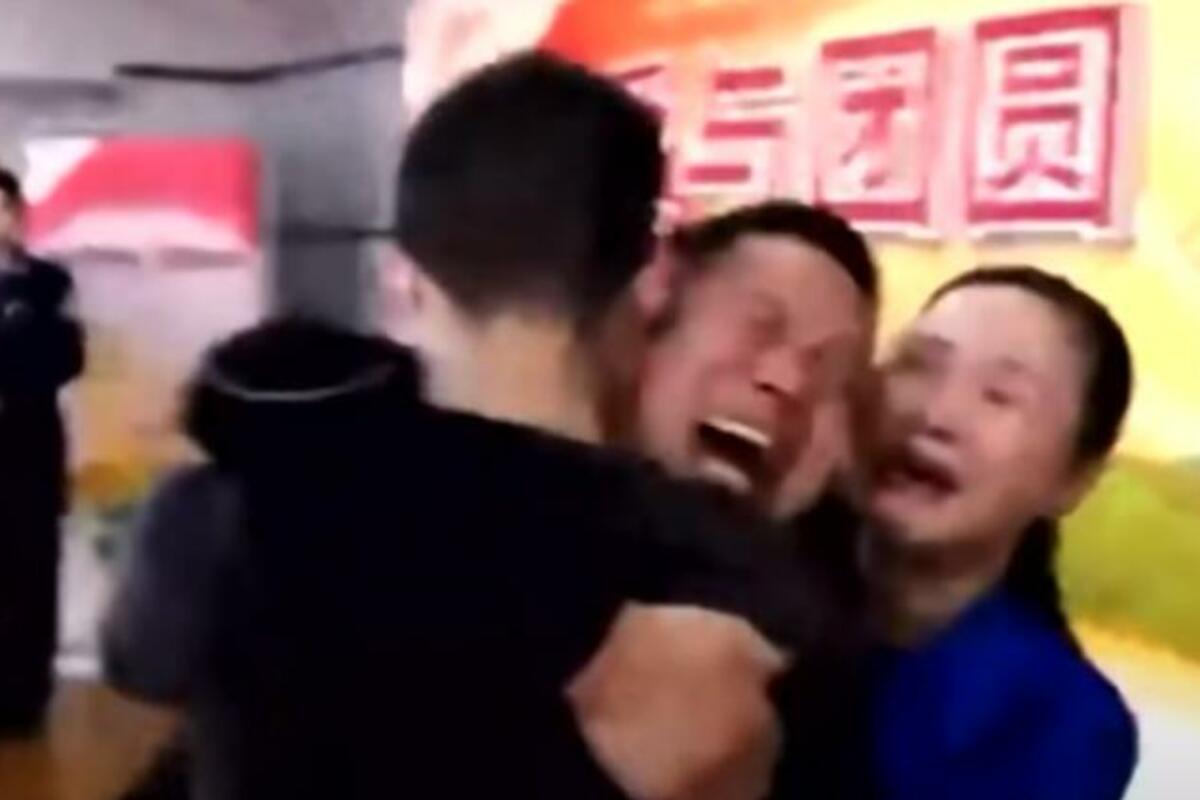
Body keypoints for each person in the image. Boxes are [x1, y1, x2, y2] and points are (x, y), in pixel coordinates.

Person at [105, 53, 838, 800]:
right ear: (652, 276)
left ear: (409, 277)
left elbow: (143, 664)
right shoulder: (714, 576)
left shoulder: (247, 511)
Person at [632, 201, 880, 798]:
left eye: (829, 373)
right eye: (759, 327)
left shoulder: (825, 677)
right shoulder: (495, 546)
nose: (787, 382)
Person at [864, 266, 1138, 800]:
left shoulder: (1061, 727)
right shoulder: (744, 597)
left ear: (1074, 479)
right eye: (917, 365)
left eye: (999, 396)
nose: (936, 415)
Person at [0, 167, 85, 735]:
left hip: (29, 451)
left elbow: (67, 356)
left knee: (31, 574)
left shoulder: (49, 282)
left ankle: (24, 697)